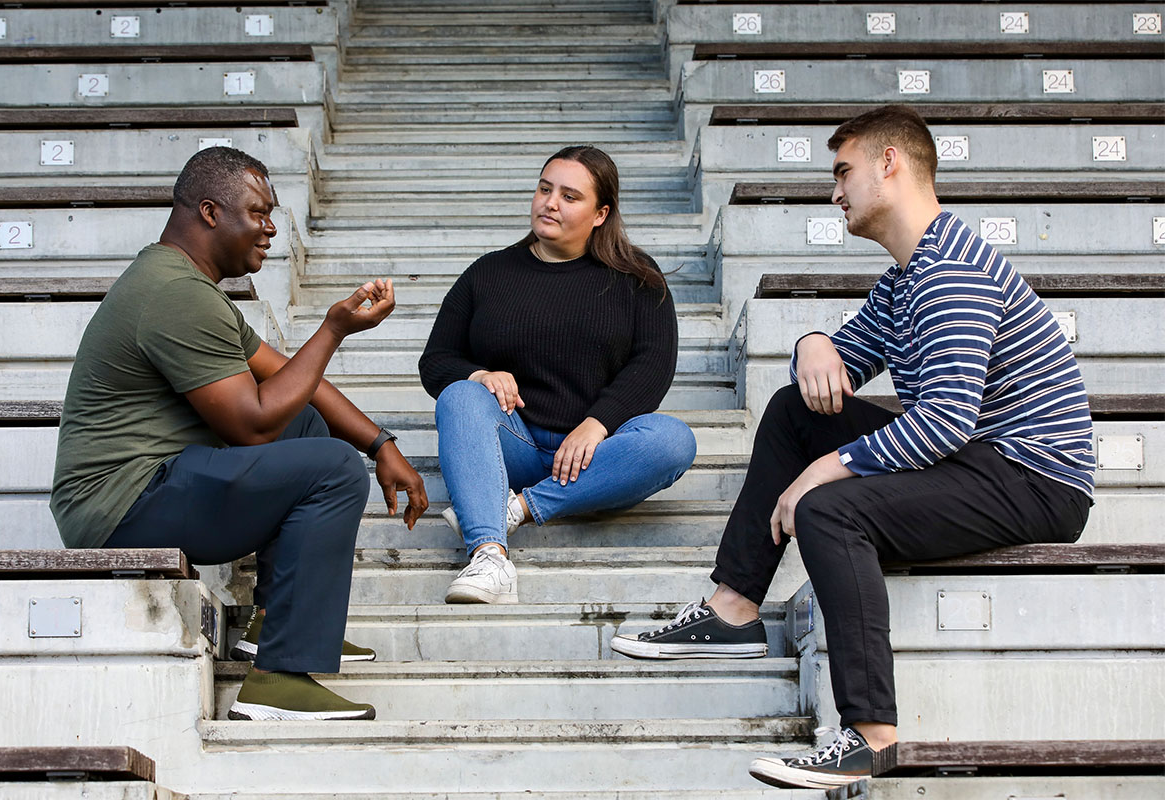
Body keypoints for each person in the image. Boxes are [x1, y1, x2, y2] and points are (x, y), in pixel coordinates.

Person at [610, 105, 1095, 789]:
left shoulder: (951, 271)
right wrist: (811, 344)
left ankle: (870, 736)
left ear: (890, 164)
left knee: (831, 511)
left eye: (844, 171)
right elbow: (835, 367)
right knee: (792, 413)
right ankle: (733, 608)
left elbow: (947, 422)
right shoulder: (907, 276)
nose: (834, 192)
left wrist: (823, 473)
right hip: (979, 460)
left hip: (1031, 476)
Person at [50, 147, 428, 721]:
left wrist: (381, 443)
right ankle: (278, 678)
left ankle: (273, 624)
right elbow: (251, 425)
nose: (272, 227)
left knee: (303, 423)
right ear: (209, 212)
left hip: (148, 485)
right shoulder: (173, 295)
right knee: (331, 469)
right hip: (119, 506)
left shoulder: (185, 285)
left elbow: (285, 377)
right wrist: (333, 329)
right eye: (257, 212)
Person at [418, 145, 697, 604]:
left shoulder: (637, 279)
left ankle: (518, 508)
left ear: (600, 213)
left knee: (673, 440)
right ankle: (489, 556)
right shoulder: (489, 273)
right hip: (517, 446)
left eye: (570, 196)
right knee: (458, 397)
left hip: (600, 458)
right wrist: (479, 374)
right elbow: (436, 361)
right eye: (545, 189)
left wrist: (597, 423)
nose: (550, 203)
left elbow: (652, 368)